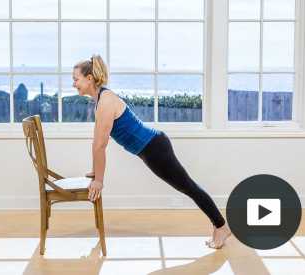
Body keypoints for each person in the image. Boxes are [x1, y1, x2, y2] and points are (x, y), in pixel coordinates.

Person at [71, 54, 231, 249]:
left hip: (155, 148)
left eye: (75, 79)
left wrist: (98, 181)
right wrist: (96, 172)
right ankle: (220, 226)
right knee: (187, 186)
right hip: (151, 148)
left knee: (187, 187)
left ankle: (221, 227)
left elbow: (100, 145)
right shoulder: (100, 100)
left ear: (89, 78)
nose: (74, 84)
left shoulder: (105, 101)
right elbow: (98, 143)